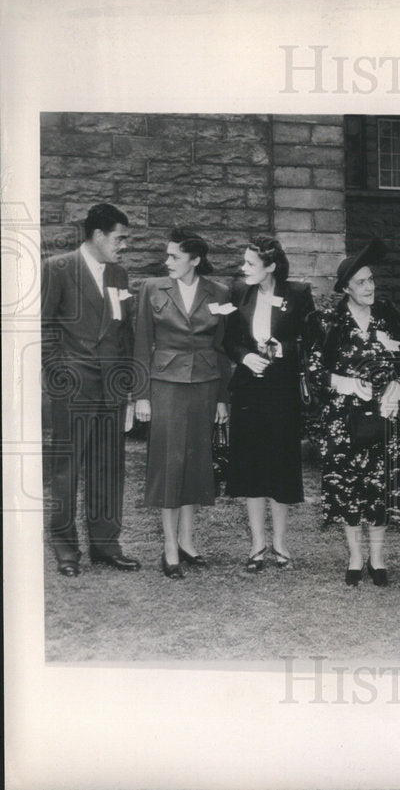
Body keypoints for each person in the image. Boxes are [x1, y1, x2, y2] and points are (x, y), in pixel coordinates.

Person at [41, 203, 141, 576]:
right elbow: (45, 327)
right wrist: (59, 373)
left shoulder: (119, 274)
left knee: (108, 468)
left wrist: (127, 385)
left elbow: (125, 332)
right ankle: (66, 550)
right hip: (74, 388)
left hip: (111, 389)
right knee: (66, 471)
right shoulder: (59, 268)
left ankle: (105, 544)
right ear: (98, 236)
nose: (124, 245)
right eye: (120, 238)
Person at [307, 242, 400, 586]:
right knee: (347, 487)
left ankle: (378, 558)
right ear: (346, 288)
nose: (370, 287)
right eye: (362, 282)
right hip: (343, 421)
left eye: (371, 280)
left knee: (380, 487)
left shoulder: (388, 314)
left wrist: (398, 384)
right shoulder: (326, 320)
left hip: (385, 414)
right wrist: (344, 383)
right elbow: (313, 373)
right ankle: (354, 557)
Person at [133, 230, 231, 579]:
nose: (167, 262)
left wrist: (223, 398)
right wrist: (141, 395)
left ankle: (188, 542)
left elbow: (222, 349)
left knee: (196, 463)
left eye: (175, 256)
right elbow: (142, 342)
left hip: (205, 386)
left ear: (195, 260)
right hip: (166, 386)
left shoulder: (219, 293)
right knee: (168, 465)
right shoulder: (152, 288)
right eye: (168, 256)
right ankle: (170, 547)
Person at [224, 237, 314, 572]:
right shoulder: (239, 293)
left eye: (250, 264)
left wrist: (281, 350)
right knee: (251, 466)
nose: (243, 269)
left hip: (281, 392)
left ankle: (280, 544)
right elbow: (228, 340)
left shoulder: (298, 295)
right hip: (248, 391)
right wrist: (246, 356)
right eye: (244, 263)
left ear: (271, 267)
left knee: (280, 465)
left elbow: (310, 338)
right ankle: (257, 546)